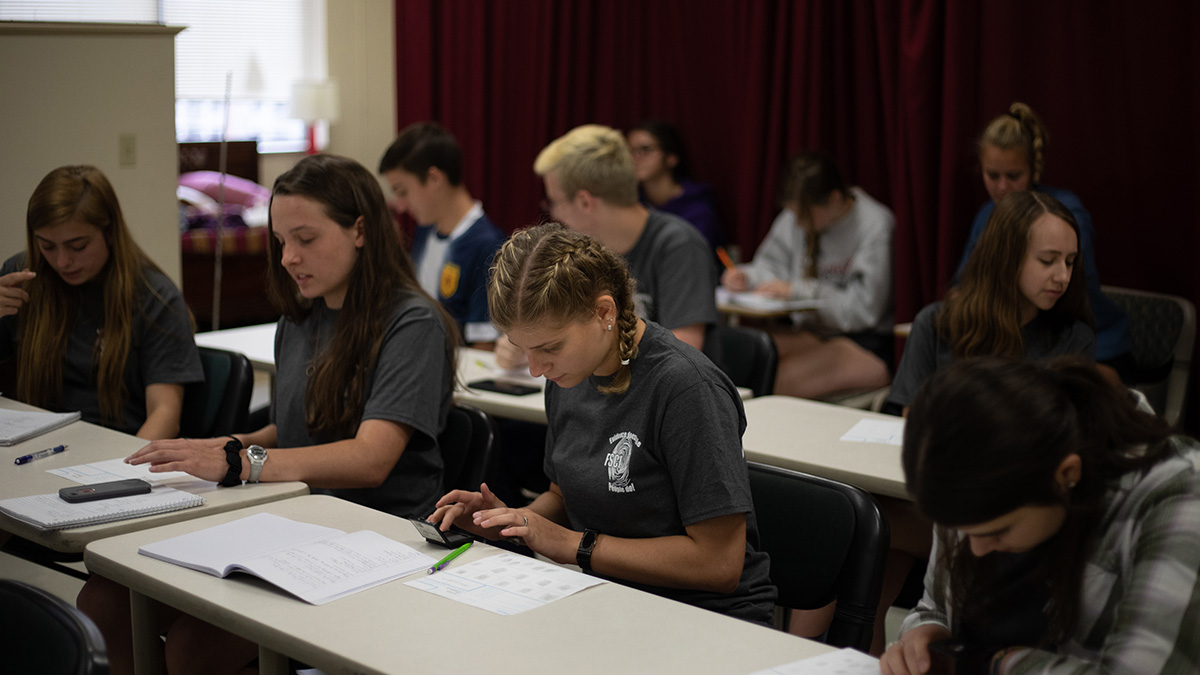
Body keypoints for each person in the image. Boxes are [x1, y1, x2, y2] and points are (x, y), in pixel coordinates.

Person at [77, 153, 459, 675]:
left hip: (373, 535)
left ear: (361, 231)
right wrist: (231, 443)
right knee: (104, 601)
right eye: (281, 242)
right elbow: (297, 427)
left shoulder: (411, 323)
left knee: (193, 647)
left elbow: (370, 459)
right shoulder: (301, 317)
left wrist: (245, 462)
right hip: (296, 517)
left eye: (305, 238)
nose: (287, 258)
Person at [431, 222, 777, 626]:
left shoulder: (684, 388)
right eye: (522, 349)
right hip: (610, 598)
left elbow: (719, 564)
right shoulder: (570, 373)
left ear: (604, 312)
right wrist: (511, 521)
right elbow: (566, 498)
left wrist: (573, 545)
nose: (535, 368)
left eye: (548, 348)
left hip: (704, 617)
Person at [881, 356, 1200, 675]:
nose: (976, 548)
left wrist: (995, 661)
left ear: (1066, 475)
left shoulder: (1178, 496)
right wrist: (925, 635)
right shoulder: (968, 466)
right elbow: (934, 607)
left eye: (998, 530)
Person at [0, 165, 202, 439]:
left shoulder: (154, 298)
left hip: (116, 447)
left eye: (78, 246)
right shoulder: (22, 279)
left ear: (109, 233)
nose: (62, 261)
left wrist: (120, 472)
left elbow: (164, 415)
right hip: (37, 445)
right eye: (46, 246)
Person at [957, 102, 1133, 384]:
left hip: (1087, 344)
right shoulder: (986, 215)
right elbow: (964, 286)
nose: (1002, 188)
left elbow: (1065, 291)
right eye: (992, 175)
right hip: (1014, 341)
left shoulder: (1066, 215)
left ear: (1034, 169)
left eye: (1013, 176)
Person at [887, 190, 1095, 412]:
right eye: (1047, 261)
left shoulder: (1075, 339)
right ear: (1007, 258)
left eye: (1070, 262)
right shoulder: (934, 325)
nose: (1063, 276)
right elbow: (912, 421)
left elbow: (1073, 433)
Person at [721, 151, 894, 399]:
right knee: (743, 357)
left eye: (805, 215)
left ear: (835, 199)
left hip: (863, 341)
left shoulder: (875, 225)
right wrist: (748, 277)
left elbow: (864, 309)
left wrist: (798, 290)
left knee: (774, 380)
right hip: (811, 331)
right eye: (793, 214)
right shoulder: (795, 217)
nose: (799, 224)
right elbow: (771, 265)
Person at [379, 121, 505, 347]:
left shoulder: (488, 245)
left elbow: (484, 345)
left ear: (434, 178)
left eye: (402, 191)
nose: (400, 205)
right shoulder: (425, 229)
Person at [627, 119, 724, 249]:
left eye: (645, 149)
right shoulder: (631, 205)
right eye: (630, 151)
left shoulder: (698, 210)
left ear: (671, 158)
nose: (635, 158)